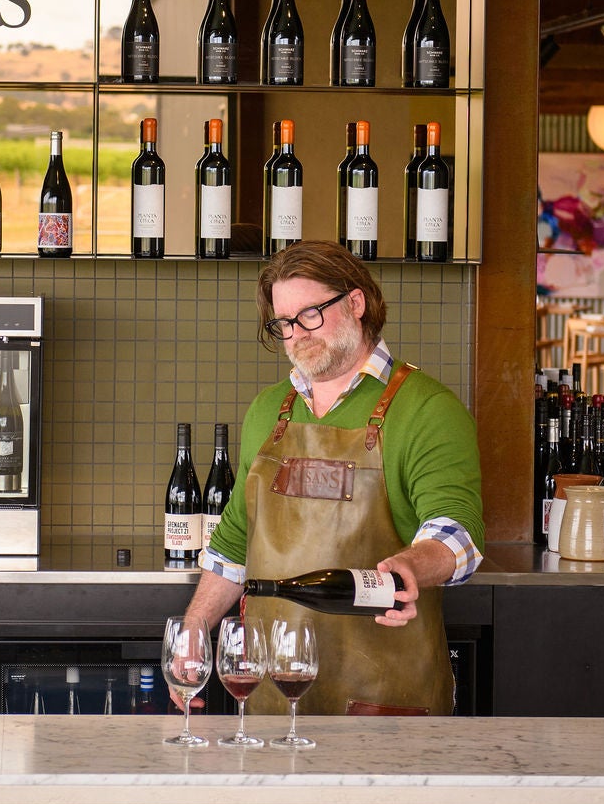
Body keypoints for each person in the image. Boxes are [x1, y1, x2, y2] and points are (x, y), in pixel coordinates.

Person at [177, 240, 483, 716]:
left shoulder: (427, 408)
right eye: (284, 322)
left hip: (383, 704)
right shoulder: (268, 411)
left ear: (356, 303)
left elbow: (456, 532)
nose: (296, 333)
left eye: (310, 314)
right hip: (274, 696)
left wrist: (410, 566)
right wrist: (195, 628)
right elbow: (235, 539)